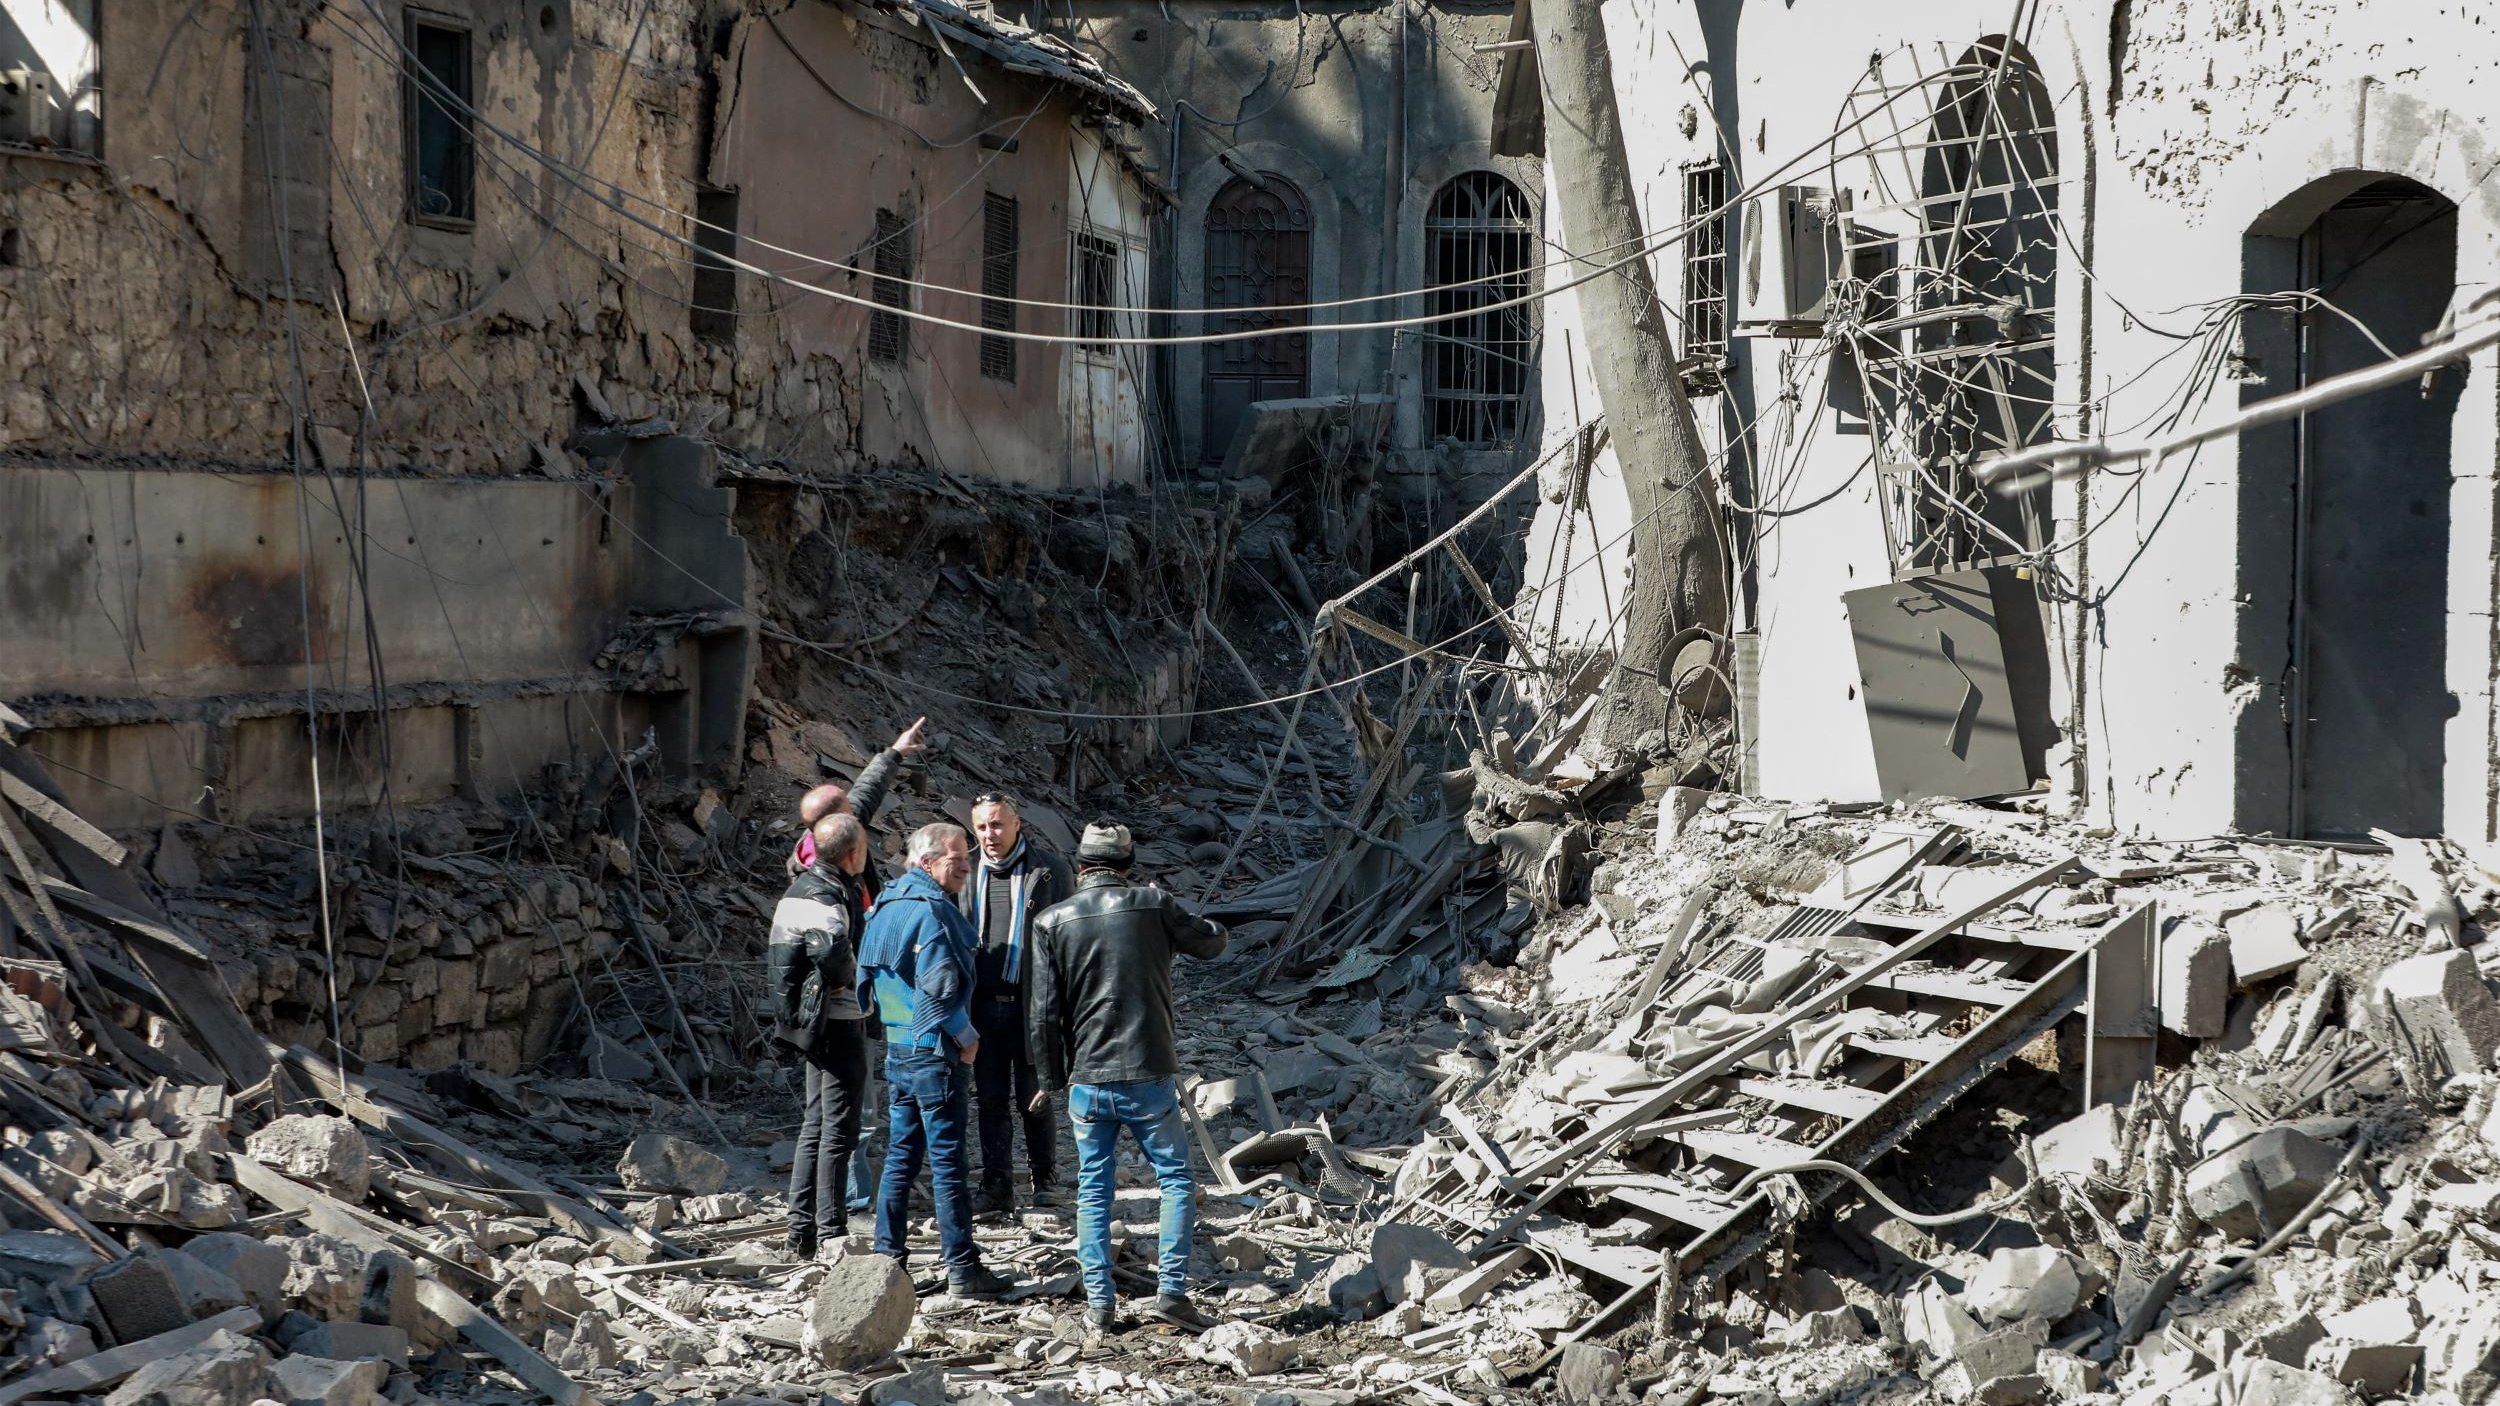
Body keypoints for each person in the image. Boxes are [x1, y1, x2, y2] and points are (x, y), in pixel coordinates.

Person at [1026, 822, 1229, 1332]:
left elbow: (1043, 1012)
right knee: (1177, 1181)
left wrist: (1050, 1080)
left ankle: (1099, 1302)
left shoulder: (1052, 920)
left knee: (1093, 1189)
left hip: (1088, 1079)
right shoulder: (1153, 903)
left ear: (1081, 867)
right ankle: (1172, 1294)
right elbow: (1212, 944)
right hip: (1148, 1072)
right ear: (1128, 862)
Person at [856, 822, 1016, 1299]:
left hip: (897, 1048)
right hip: (933, 1053)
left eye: (967, 856)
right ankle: (964, 1271)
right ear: (927, 863)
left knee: (901, 1157)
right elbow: (940, 988)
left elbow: (867, 971)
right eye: (955, 857)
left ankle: (889, 1261)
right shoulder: (932, 913)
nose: (966, 864)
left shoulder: (886, 903)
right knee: (948, 1164)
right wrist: (966, 1037)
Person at [959, 792, 1075, 1217]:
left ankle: (1045, 1180)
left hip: (1032, 1004)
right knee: (989, 1098)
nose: (990, 834)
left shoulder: (1049, 871)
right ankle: (996, 1185)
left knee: (1035, 1096)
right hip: (982, 1006)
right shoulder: (966, 869)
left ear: (1017, 823)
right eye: (982, 827)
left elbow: (1067, 941)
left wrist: (1065, 1007)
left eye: (997, 824)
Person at [767, 813, 870, 1260]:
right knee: (839, 1126)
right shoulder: (825, 894)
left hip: (811, 1019)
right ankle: (830, 1229)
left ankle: (800, 1231)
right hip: (835, 1018)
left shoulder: (804, 886)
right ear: (854, 854)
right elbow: (832, 953)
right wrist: (847, 978)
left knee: (816, 1123)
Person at [787, 717, 930, 899]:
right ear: (837, 822)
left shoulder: (835, 835)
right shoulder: (821, 893)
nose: (856, 815)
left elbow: (866, 792)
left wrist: (896, 752)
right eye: (850, 814)